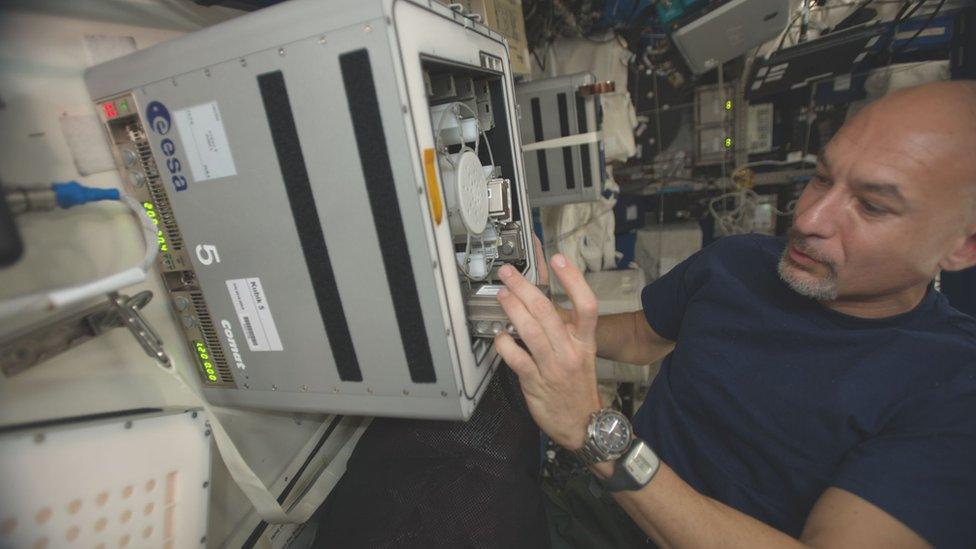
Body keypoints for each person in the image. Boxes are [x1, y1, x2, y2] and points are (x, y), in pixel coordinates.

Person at [493, 80, 976, 547]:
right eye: (821, 178)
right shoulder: (740, 262)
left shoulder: (953, 388)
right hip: (585, 501)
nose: (807, 219)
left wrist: (595, 431)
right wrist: (540, 318)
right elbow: (644, 337)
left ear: (962, 244)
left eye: (870, 206)